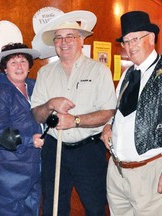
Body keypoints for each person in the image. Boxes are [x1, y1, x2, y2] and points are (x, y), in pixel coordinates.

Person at [31, 10, 117, 215]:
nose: (64, 42)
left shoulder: (99, 71)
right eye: (59, 38)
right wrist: (50, 104)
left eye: (70, 36)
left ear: (81, 40)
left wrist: (74, 121)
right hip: (53, 149)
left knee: (95, 207)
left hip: (88, 150)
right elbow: (37, 114)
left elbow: (107, 112)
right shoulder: (45, 73)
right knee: (54, 207)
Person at [101, 11, 162, 215]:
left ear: (151, 38)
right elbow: (119, 112)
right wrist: (108, 126)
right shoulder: (128, 74)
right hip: (117, 172)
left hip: (149, 172)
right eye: (126, 41)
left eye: (135, 39)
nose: (130, 46)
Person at [0, 43, 44, 216]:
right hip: (8, 173)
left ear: (29, 66)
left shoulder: (36, 89)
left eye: (23, 61)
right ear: (5, 69)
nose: (19, 66)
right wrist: (30, 140)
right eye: (13, 62)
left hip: (33, 168)